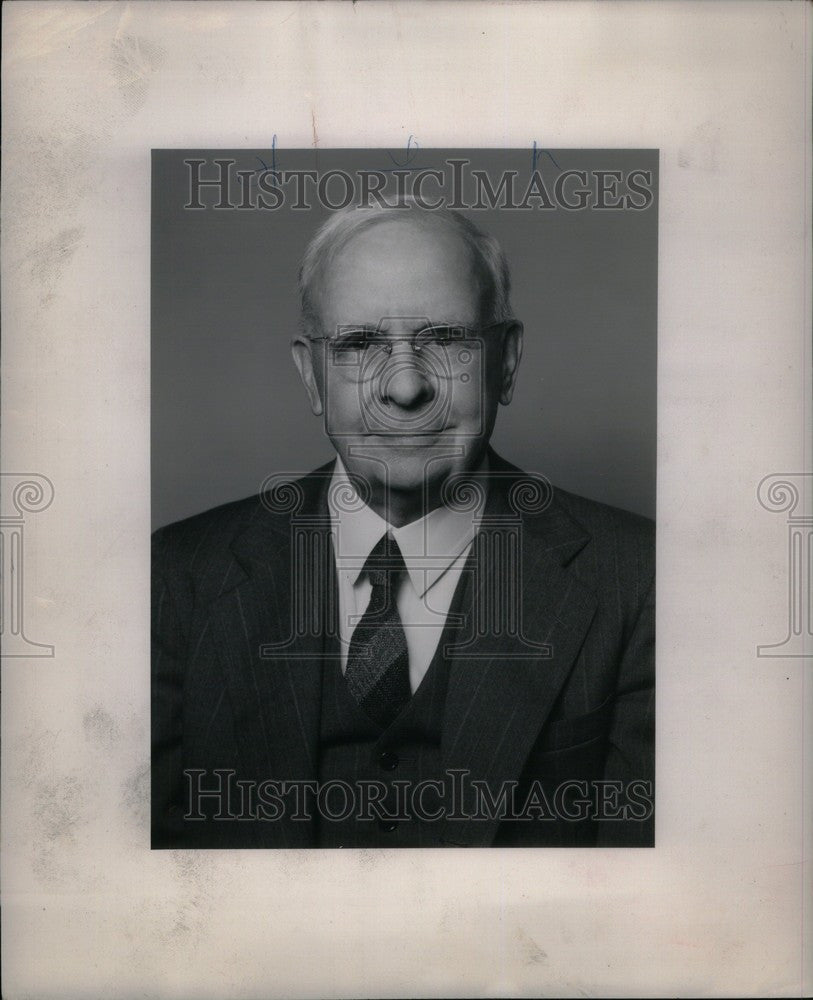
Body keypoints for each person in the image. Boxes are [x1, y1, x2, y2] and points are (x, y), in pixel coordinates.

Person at [152, 201, 655, 849]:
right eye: (360, 345)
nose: (406, 387)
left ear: (505, 360)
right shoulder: (177, 576)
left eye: (444, 339)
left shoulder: (638, 583)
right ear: (310, 376)